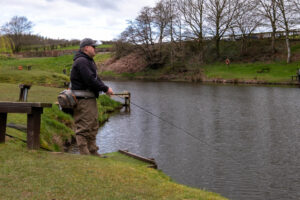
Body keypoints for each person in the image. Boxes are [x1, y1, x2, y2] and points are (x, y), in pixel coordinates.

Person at [70, 38, 113, 156]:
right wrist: (105, 89)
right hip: (83, 100)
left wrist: (105, 88)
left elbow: (95, 79)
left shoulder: (88, 61)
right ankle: (85, 155)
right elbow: (89, 80)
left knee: (93, 125)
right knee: (84, 128)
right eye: (94, 47)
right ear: (86, 48)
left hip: (89, 98)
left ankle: (93, 152)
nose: (95, 49)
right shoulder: (82, 61)